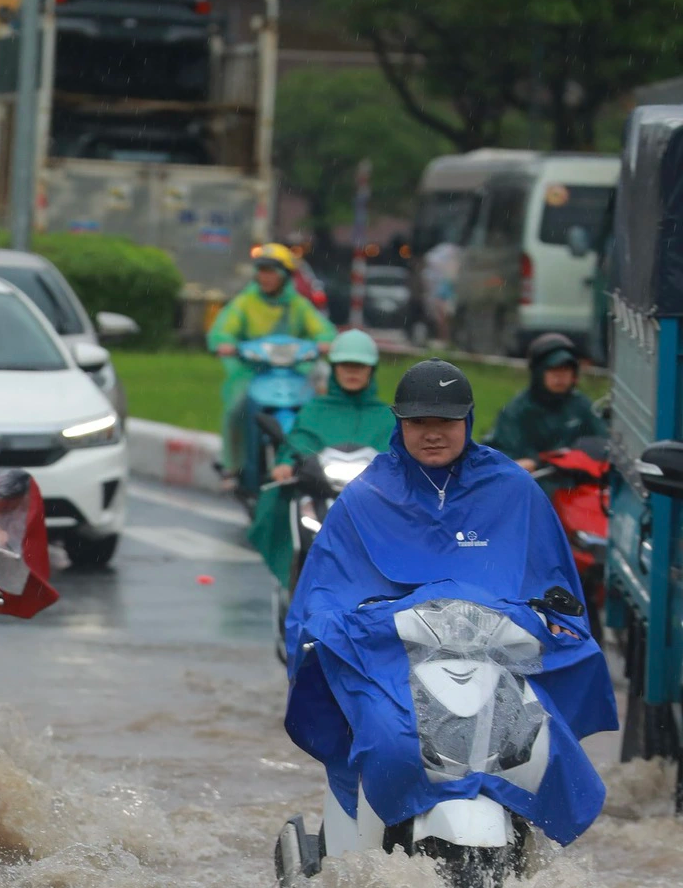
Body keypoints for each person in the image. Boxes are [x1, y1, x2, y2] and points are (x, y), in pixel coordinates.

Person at [282, 360, 616, 850]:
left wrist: (548, 623)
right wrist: (340, 626)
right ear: (400, 424)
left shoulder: (513, 490)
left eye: (446, 421)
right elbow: (326, 591)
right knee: (388, 741)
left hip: (494, 657)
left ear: (469, 420)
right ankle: (351, 852)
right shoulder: (367, 496)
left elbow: (556, 592)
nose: (432, 434)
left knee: (543, 742)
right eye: (419, 422)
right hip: (387, 658)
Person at [245, 329, 394, 587]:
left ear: (372, 370)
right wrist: (285, 464)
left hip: (372, 502)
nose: (352, 372)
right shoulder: (315, 410)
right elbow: (299, 440)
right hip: (319, 493)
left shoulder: (387, 417)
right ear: (334, 368)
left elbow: (396, 451)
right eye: (345, 365)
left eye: (360, 366)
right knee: (281, 504)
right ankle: (293, 580)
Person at [207, 243, 336, 474]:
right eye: (261, 270)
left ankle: (324, 460)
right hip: (254, 372)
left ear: (285, 275)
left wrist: (326, 342)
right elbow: (222, 331)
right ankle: (232, 464)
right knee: (237, 410)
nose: (264, 277)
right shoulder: (245, 303)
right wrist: (226, 344)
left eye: (271, 271)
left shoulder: (298, 305)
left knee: (321, 403)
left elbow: (324, 331)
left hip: (293, 372)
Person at [482, 333, 606, 469]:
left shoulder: (581, 405)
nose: (560, 377)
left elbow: (602, 443)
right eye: (553, 370)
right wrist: (536, 462)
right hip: (535, 482)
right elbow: (501, 458)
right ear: (538, 373)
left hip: (576, 482)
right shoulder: (517, 410)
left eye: (566, 370)